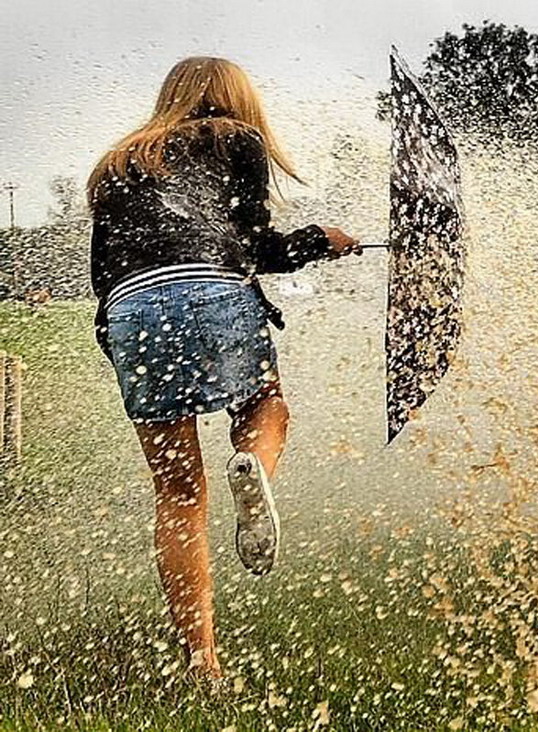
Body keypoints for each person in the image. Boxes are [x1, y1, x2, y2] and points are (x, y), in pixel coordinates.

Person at [86, 56, 359, 680]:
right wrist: (322, 239)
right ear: (237, 98)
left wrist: (125, 349)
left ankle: (202, 660)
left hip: (132, 312)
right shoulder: (236, 139)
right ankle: (253, 466)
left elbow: (104, 276)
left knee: (178, 495)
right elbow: (260, 250)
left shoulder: (118, 161)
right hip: (214, 291)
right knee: (266, 408)